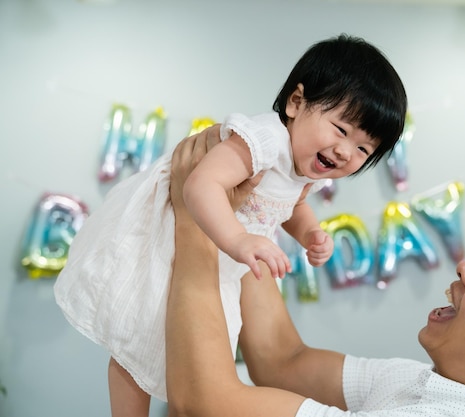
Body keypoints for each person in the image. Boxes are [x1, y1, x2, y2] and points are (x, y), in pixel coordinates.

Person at [53, 34, 407, 416]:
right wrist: (239, 239)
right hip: (168, 238)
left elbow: (292, 205)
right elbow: (200, 184)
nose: (344, 151)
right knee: (136, 340)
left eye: (362, 149)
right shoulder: (264, 140)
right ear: (296, 102)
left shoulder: (307, 170)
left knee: (187, 354)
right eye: (341, 129)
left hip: (218, 256)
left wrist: (310, 234)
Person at [165, 129, 465, 417]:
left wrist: (194, 219)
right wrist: (246, 217)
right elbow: (283, 361)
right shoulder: (430, 385)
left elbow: (203, 402)